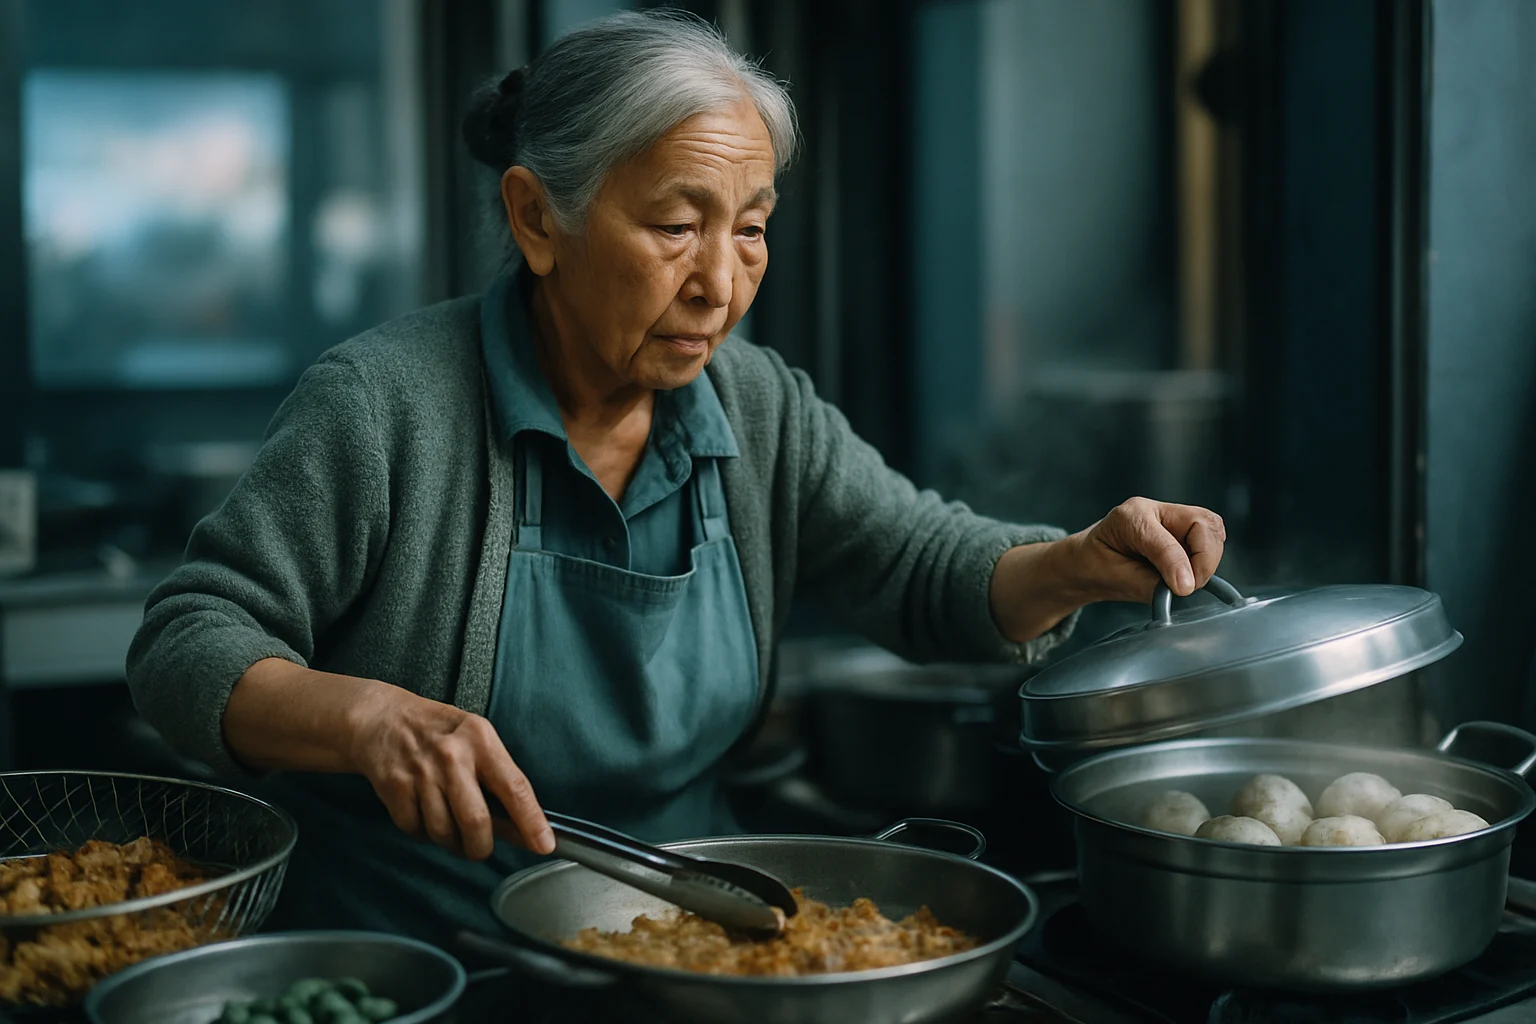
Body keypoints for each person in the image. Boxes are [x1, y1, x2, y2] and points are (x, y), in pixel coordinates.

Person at [128, 9, 1225, 946]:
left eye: (749, 230)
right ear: (534, 217)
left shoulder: (756, 406)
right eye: (673, 225)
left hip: (684, 952)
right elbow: (187, 642)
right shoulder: (386, 406)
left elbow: (923, 564)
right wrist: (366, 717)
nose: (719, 283)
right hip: (437, 962)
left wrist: (1078, 563)